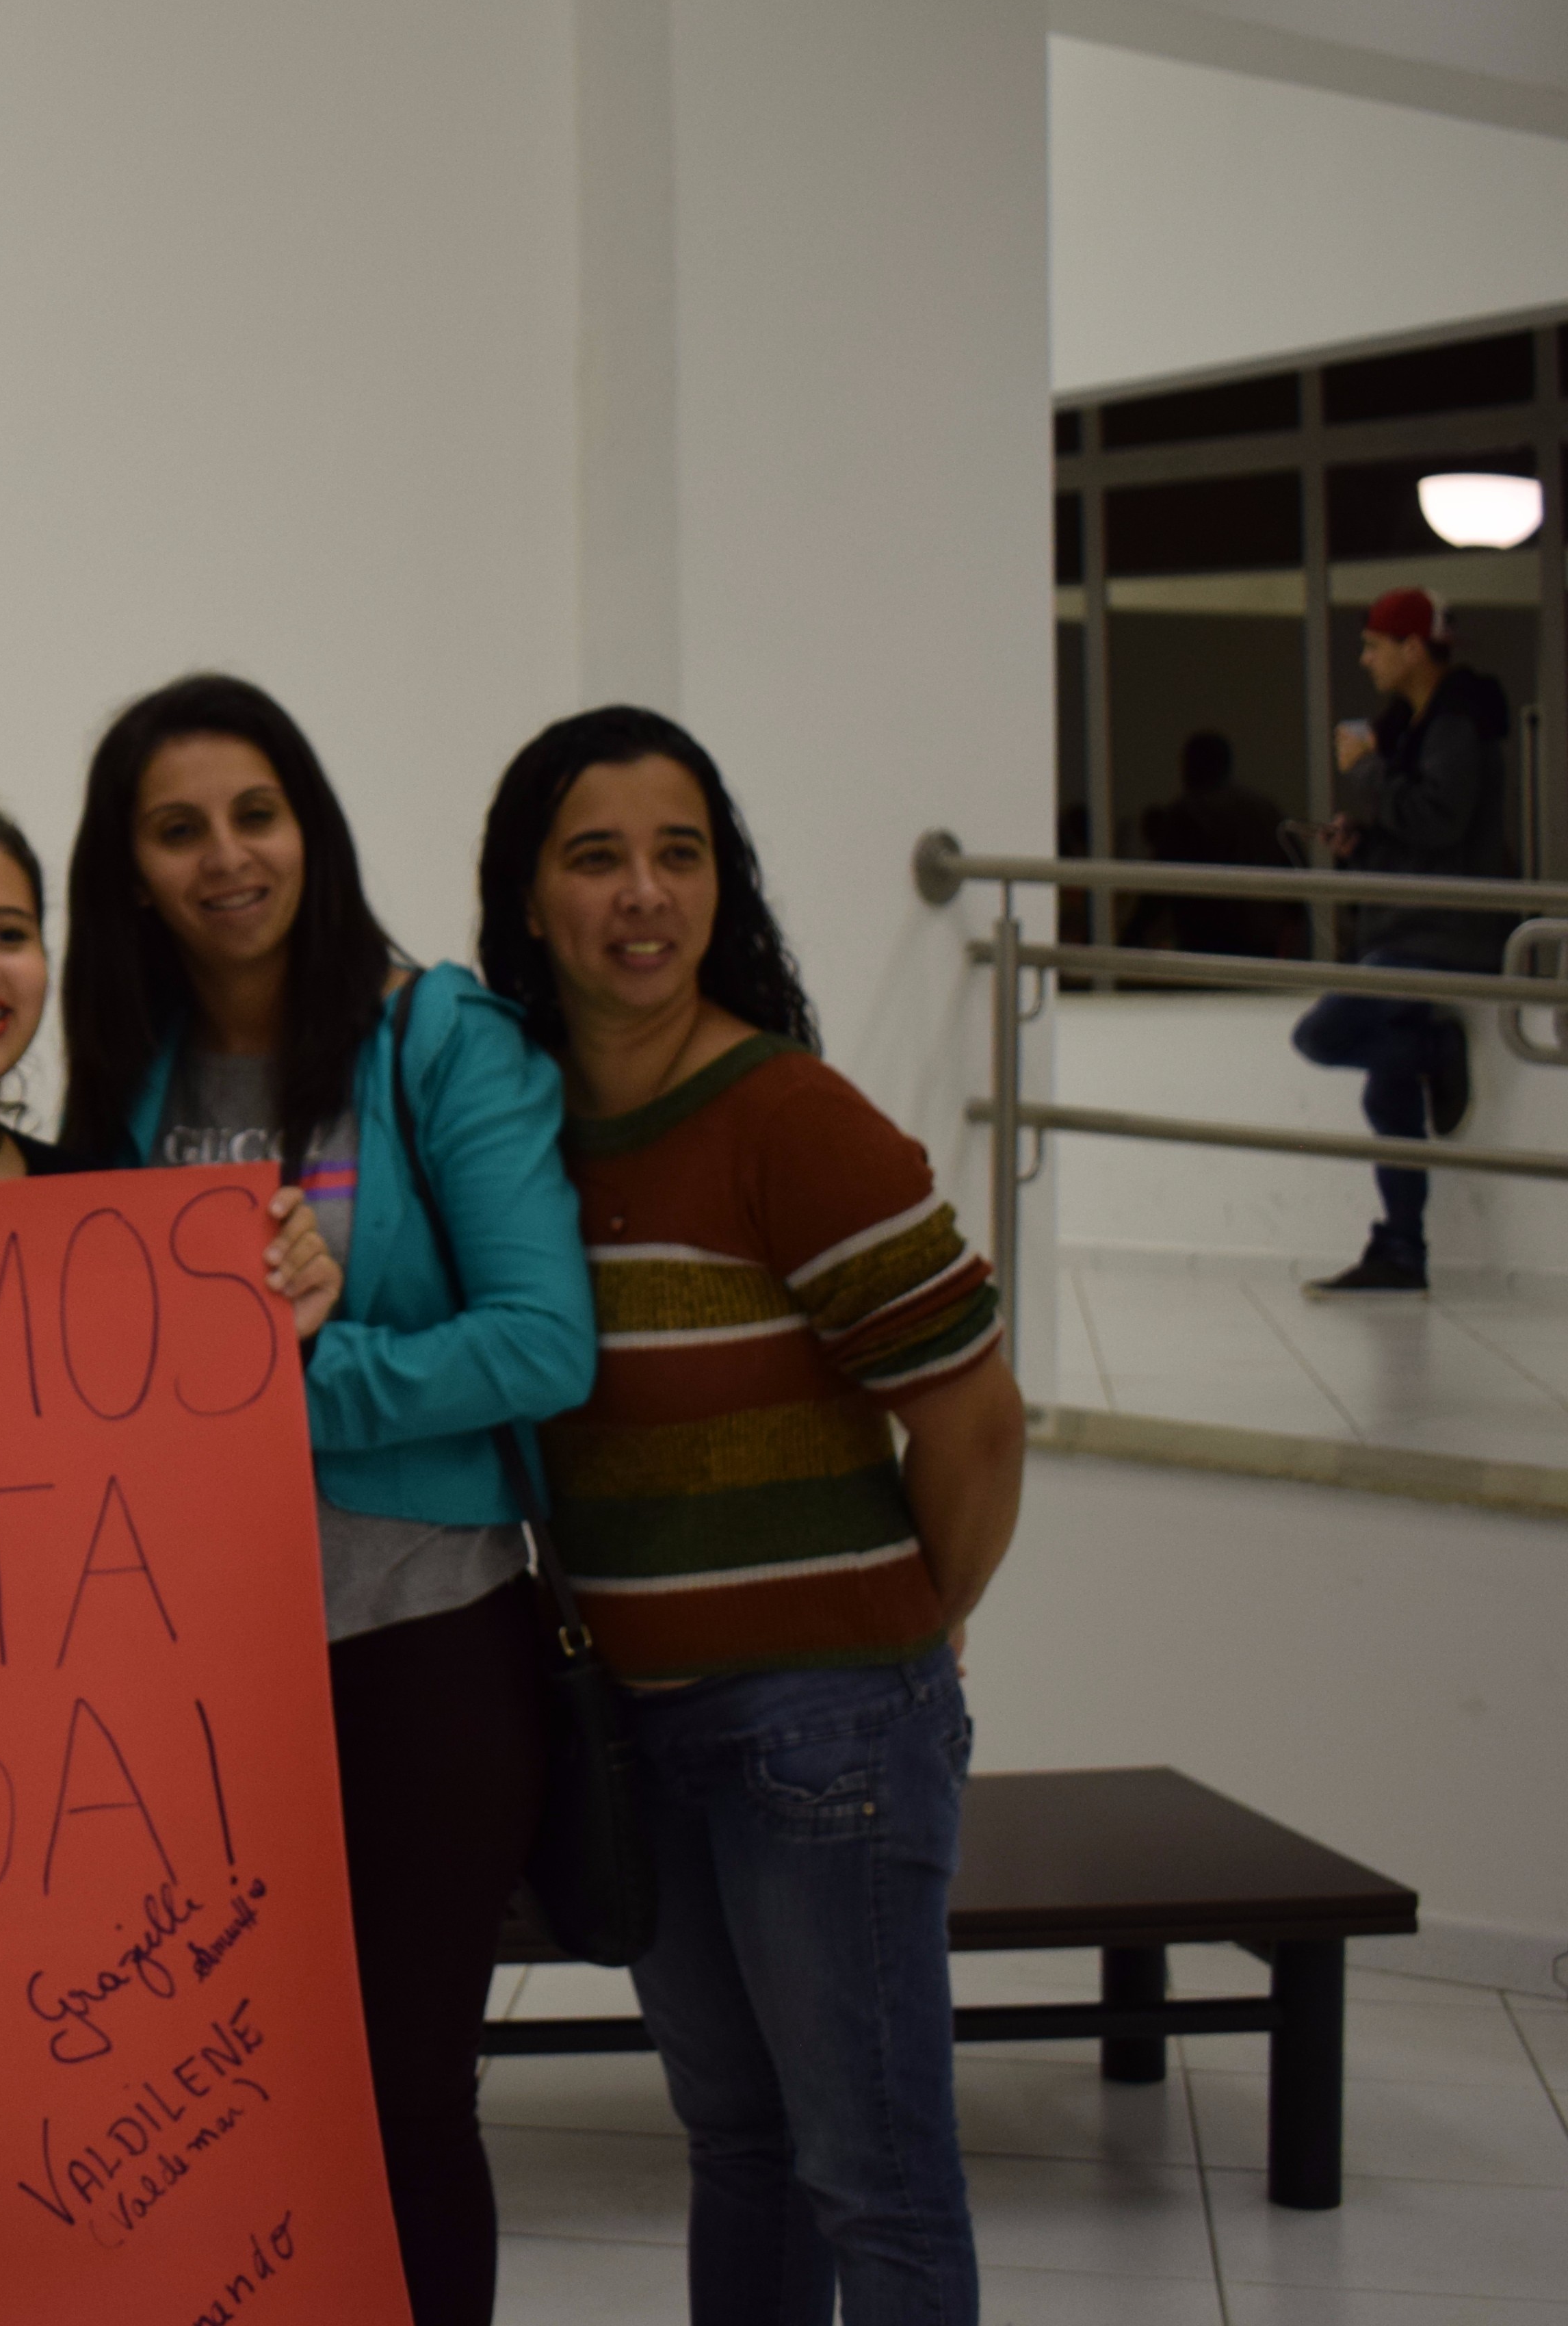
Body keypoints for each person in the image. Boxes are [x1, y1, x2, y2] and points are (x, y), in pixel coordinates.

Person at [56, 674, 593, 2326]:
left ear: (312, 826)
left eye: (256, 813)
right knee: (230, 2101)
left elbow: (543, 1342)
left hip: (420, 1647)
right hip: (194, 1676)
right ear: (129, 868)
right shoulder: (127, 1066)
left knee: (403, 2097)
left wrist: (292, 1379)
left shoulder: (438, 1037)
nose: (226, 856)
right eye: (178, 829)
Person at [480, 704, 1024, 2326]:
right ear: (528, 897)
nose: (644, 892)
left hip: (823, 1731)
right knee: (740, 2145)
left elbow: (975, 1420)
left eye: (682, 853)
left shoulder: (789, 1117)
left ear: (724, 885)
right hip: (639, 1733)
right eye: (597, 857)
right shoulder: (521, 1138)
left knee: (876, 2177)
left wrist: (901, 1641)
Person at [1297, 586, 1518, 1297]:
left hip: (1439, 933)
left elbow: (1439, 820)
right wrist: (1358, 841)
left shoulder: (1454, 724)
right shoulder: (1414, 727)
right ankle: (1401, 1250)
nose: (1365, 660)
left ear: (1413, 647)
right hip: (1405, 925)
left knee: (1322, 1034)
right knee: (1386, 1095)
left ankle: (1434, 1049)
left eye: (1374, 646)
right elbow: (1415, 829)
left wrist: (1366, 772)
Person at [1125, 730, 1294, 960]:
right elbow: (1295, 868)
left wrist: (1129, 937)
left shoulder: (1189, 812)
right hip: (1262, 937)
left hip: (1211, 938)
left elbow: (1159, 885)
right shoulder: (1265, 809)